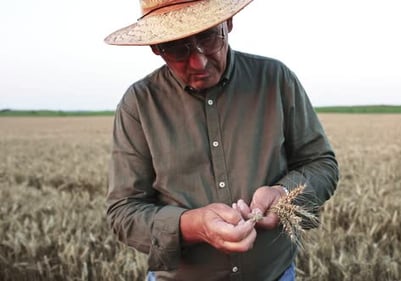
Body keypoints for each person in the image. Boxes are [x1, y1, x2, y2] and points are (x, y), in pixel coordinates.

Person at [104, 0, 339, 280]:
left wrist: (283, 193)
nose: (199, 61)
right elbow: (124, 212)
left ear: (228, 24)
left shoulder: (276, 79)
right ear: (156, 48)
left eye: (207, 37)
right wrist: (193, 225)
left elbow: (321, 164)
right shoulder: (139, 104)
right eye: (178, 49)